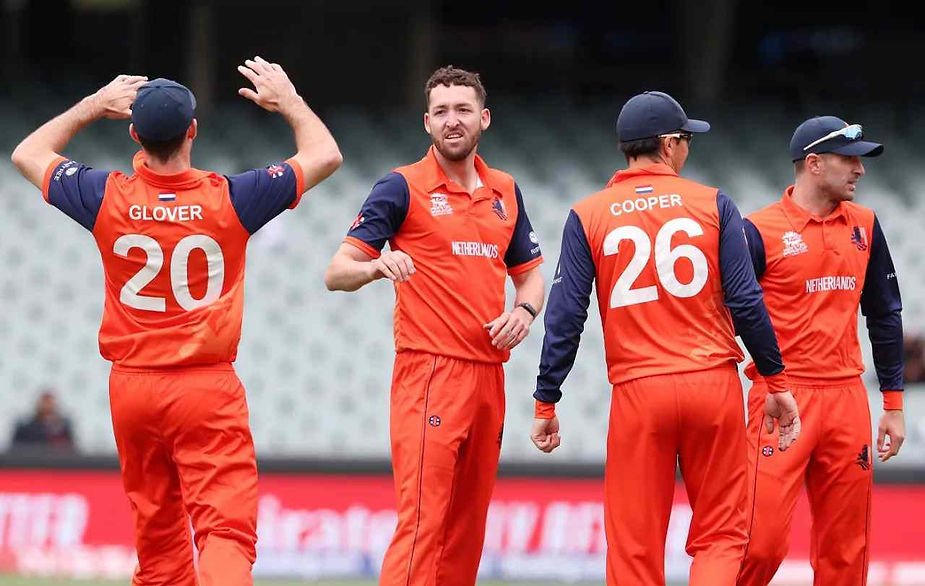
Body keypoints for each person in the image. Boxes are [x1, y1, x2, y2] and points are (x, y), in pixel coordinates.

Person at [9, 57, 342, 585]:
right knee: (226, 532)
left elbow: (27, 152)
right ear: (193, 130)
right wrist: (289, 100)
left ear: (134, 133)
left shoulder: (105, 196)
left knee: (159, 541)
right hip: (205, 386)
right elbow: (325, 154)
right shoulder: (234, 197)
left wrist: (95, 105)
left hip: (133, 390)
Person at [531, 90, 801, 586]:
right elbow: (746, 302)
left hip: (639, 392)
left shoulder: (588, 213)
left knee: (634, 545)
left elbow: (566, 316)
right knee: (721, 536)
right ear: (669, 144)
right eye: (686, 140)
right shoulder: (713, 203)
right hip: (710, 385)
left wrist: (547, 399)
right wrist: (776, 379)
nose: (688, 149)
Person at [324, 65, 545, 586]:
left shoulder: (505, 192)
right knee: (424, 522)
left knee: (467, 530)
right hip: (429, 375)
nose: (453, 120)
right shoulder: (400, 187)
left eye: (463, 110)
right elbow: (336, 272)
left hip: (489, 377)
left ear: (484, 118)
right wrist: (376, 266)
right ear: (426, 122)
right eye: (442, 111)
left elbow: (532, 276)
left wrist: (523, 311)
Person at [736, 116, 905, 586]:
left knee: (847, 551)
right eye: (850, 160)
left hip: (847, 399)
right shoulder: (758, 231)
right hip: (779, 399)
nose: (860, 170)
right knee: (758, 544)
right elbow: (728, 317)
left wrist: (892, 404)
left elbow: (885, 314)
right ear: (813, 164)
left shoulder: (866, 226)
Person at [11, 388, 76, 451]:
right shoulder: (25, 428)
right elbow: (16, 450)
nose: (47, 405)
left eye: (50, 402)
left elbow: (71, 449)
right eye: (45, 401)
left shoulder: (63, 428)